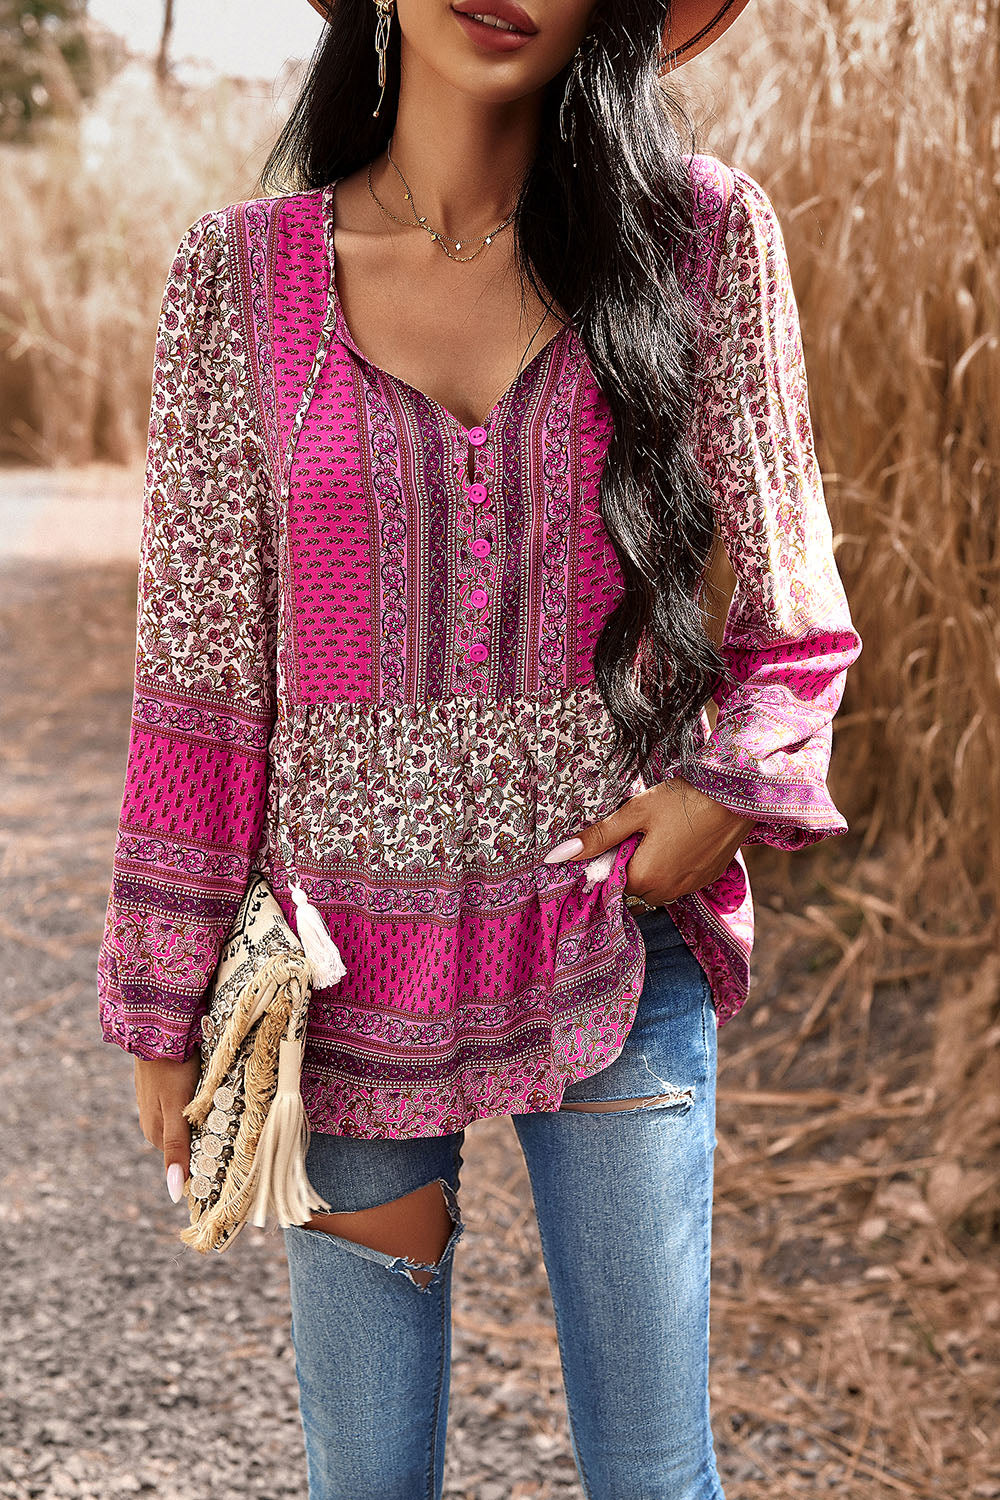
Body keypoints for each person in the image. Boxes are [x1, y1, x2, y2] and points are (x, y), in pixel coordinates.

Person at [96, 0, 863, 1492]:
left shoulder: (700, 239)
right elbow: (199, 679)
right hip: (339, 982)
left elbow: (797, 612)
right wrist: (161, 994)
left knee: (654, 1474)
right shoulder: (239, 278)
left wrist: (725, 791)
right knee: (367, 1477)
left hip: (613, 952)